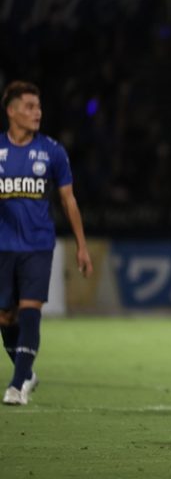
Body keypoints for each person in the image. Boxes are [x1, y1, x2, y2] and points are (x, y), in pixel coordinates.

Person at [0, 81, 93, 406]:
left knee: (30, 309)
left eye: (38, 107)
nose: (37, 112)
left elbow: (68, 200)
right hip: (3, 247)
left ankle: (16, 386)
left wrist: (81, 245)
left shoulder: (52, 151)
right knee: (5, 317)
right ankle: (26, 372)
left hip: (38, 245)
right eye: (29, 107)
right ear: (12, 111)